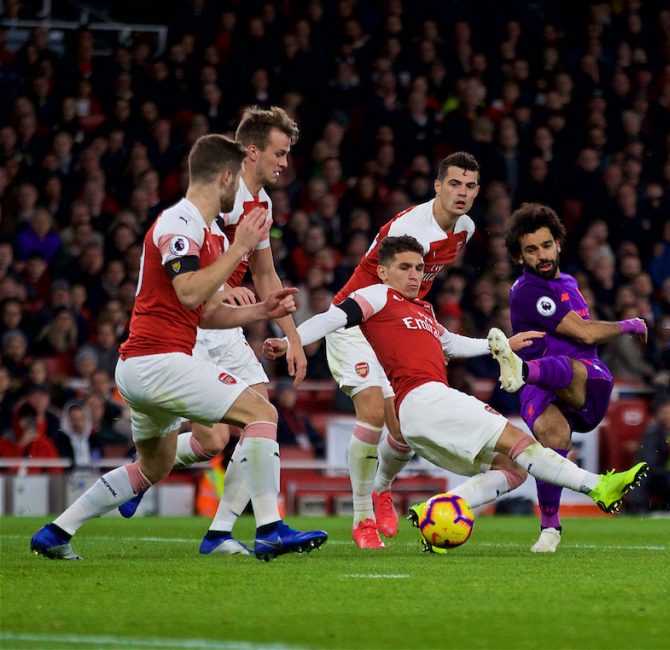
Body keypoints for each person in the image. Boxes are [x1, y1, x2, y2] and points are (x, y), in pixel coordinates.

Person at [30, 134, 326, 561]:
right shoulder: (179, 223)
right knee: (263, 413)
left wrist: (262, 310)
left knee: (153, 466)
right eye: (234, 181)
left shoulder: (207, 234)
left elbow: (205, 313)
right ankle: (270, 529)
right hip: (160, 362)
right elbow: (188, 292)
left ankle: (57, 531)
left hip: (145, 368)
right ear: (226, 178)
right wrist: (240, 248)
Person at [264, 235, 648, 552]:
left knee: (512, 469)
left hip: (422, 418)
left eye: (418, 268)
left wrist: (503, 345)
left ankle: (437, 509)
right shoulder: (377, 296)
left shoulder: (424, 310)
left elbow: (451, 344)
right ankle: (598, 485)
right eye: (404, 267)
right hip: (424, 398)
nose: (414, 275)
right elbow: (334, 316)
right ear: (382, 271)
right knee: (520, 443)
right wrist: (290, 340)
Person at [116, 106, 308, 557]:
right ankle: (153, 472)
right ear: (252, 152)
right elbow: (193, 255)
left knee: (240, 425)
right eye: (279, 154)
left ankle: (218, 529)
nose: (284, 163)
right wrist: (223, 287)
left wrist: (294, 335)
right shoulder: (223, 193)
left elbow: (264, 273)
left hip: (228, 326)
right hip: (199, 323)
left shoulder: (263, 203)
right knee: (226, 433)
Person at [323, 152, 482, 549]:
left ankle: (382, 490)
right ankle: (361, 518)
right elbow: (375, 277)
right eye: (454, 184)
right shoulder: (412, 229)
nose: (461, 193)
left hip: (399, 324)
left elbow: (419, 286)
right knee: (374, 410)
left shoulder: (466, 229)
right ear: (437, 186)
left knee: (406, 426)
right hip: (358, 319)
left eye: (470, 186)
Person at [487, 203, 647, 552]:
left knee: (569, 365)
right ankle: (549, 529)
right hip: (539, 386)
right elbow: (587, 332)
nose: (541, 255)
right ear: (519, 257)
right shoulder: (528, 290)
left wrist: (626, 325)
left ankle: (522, 369)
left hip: (586, 382)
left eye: (546, 245)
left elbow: (585, 337)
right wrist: (628, 324)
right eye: (531, 249)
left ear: (558, 243)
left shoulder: (567, 283)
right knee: (552, 438)